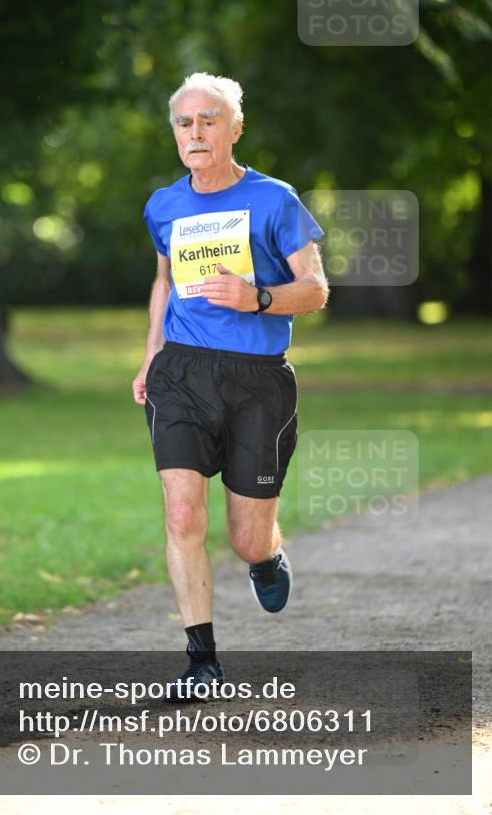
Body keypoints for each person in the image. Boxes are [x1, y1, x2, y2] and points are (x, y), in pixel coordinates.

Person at [132, 72, 329, 699]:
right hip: (182, 372)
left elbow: (317, 290)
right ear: (175, 133)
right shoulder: (163, 204)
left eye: (209, 120)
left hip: (257, 380)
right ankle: (201, 661)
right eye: (185, 122)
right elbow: (164, 283)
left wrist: (258, 296)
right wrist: (149, 358)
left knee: (245, 538)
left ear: (234, 129)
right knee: (183, 511)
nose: (195, 132)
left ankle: (266, 557)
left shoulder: (275, 201)